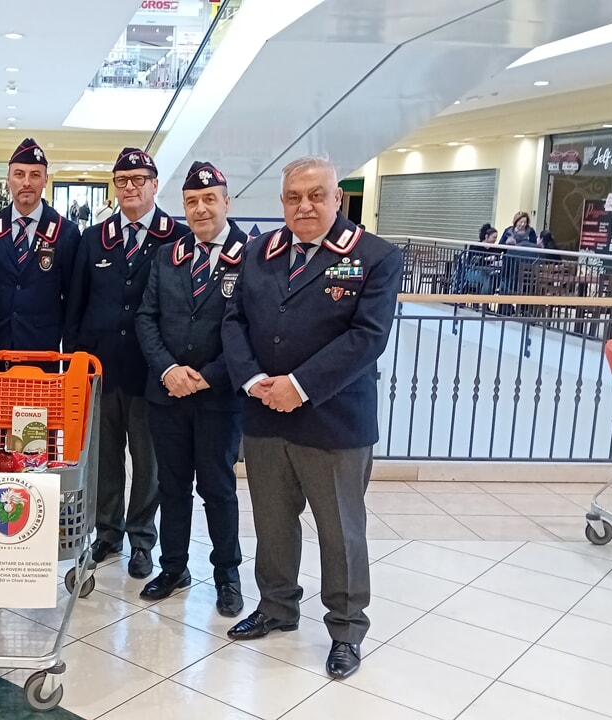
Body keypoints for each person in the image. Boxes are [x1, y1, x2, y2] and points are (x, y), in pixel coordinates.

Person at [220, 155, 402, 680]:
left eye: (316, 195)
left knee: (339, 530)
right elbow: (234, 320)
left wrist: (298, 387)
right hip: (264, 414)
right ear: (282, 203)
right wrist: (254, 380)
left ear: (337, 198)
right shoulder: (259, 252)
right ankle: (277, 606)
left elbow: (367, 337)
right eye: (294, 197)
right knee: (272, 521)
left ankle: (346, 628)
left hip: (333, 420)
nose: (305, 205)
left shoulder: (374, 256)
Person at [64, 147, 192, 579]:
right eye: (122, 181)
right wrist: (75, 363)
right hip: (100, 369)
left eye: (139, 180)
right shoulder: (93, 238)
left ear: (155, 184)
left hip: (151, 370)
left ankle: (141, 538)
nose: (130, 187)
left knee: (148, 461)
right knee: (104, 457)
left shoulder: (177, 238)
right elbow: (77, 304)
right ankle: (107, 531)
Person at [134, 161, 246, 616]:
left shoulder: (250, 255)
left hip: (219, 398)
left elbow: (251, 329)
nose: (200, 209)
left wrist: (206, 376)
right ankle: (174, 568)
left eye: (209, 199)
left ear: (226, 202)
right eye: (192, 202)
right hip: (167, 395)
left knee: (218, 489)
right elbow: (146, 318)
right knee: (172, 486)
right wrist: (168, 370)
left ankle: (227, 577)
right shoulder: (169, 255)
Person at [0, 139, 81, 354]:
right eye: (19, 174)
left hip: (43, 349)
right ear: (8, 179)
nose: (26, 182)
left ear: (45, 180)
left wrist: (70, 352)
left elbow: (73, 299)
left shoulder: (66, 232)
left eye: (35, 175)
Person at [453, 223, 503, 295]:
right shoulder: (475, 246)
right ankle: (484, 298)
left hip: (488, 271)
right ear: (486, 236)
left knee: (495, 277)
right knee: (488, 278)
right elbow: (472, 260)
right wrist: (486, 259)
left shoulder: (495, 249)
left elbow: (503, 251)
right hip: (473, 271)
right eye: (494, 237)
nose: (495, 240)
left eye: (496, 238)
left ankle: (488, 297)